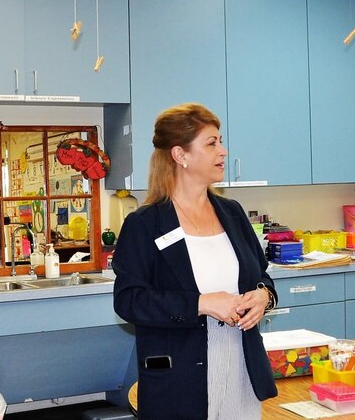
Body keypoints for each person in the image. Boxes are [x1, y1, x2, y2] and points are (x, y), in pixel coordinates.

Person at [112, 103, 278, 420]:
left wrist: (263, 296)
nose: (224, 151)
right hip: (179, 379)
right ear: (181, 155)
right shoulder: (145, 224)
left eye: (220, 141)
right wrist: (200, 303)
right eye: (212, 143)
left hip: (241, 370)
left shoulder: (232, 212)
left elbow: (262, 277)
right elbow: (129, 301)